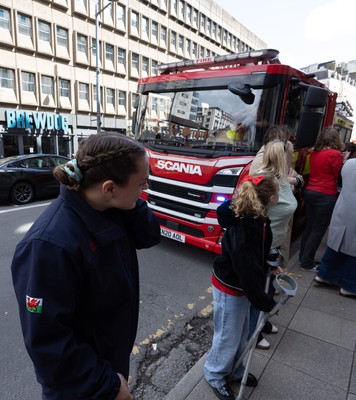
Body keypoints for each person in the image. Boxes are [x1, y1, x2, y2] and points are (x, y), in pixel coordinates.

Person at [11, 133, 161, 400]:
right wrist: (109, 387)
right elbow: (49, 345)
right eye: (141, 183)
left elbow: (150, 234)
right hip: (83, 388)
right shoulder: (49, 245)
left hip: (109, 366)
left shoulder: (110, 209)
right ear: (109, 188)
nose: (145, 188)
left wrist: (130, 201)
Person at [204, 172, 279, 400]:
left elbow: (254, 254)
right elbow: (246, 267)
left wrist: (268, 260)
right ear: (270, 197)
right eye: (278, 191)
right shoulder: (247, 226)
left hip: (238, 286)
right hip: (232, 287)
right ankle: (215, 374)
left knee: (242, 332)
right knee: (228, 334)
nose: (281, 194)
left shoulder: (256, 216)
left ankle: (234, 367)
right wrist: (264, 300)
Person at [249, 139, 298, 350]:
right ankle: (253, 331)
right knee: (259, 291)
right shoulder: (267, 181)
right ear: (283, 156)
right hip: (263, 246)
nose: (294, 156)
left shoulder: (285, 178)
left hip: (275, 243)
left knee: (268, 288)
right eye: (291, 153)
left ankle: (262, 322)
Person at [299, 127, 343, 271]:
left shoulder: (314, 152)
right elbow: (339, 176)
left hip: (310, 190)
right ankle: (307, 263)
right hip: (326, 194)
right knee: (318, 230)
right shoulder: (335, 154)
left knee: (310, 226)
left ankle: (302, 258)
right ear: (336, 139)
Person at [314, 157, 356, 297]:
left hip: (343, 207)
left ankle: (325, 275)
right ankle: (350, 286)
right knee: (353, 250)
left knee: (337, 243)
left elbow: (341, 182)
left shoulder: (349, 163)